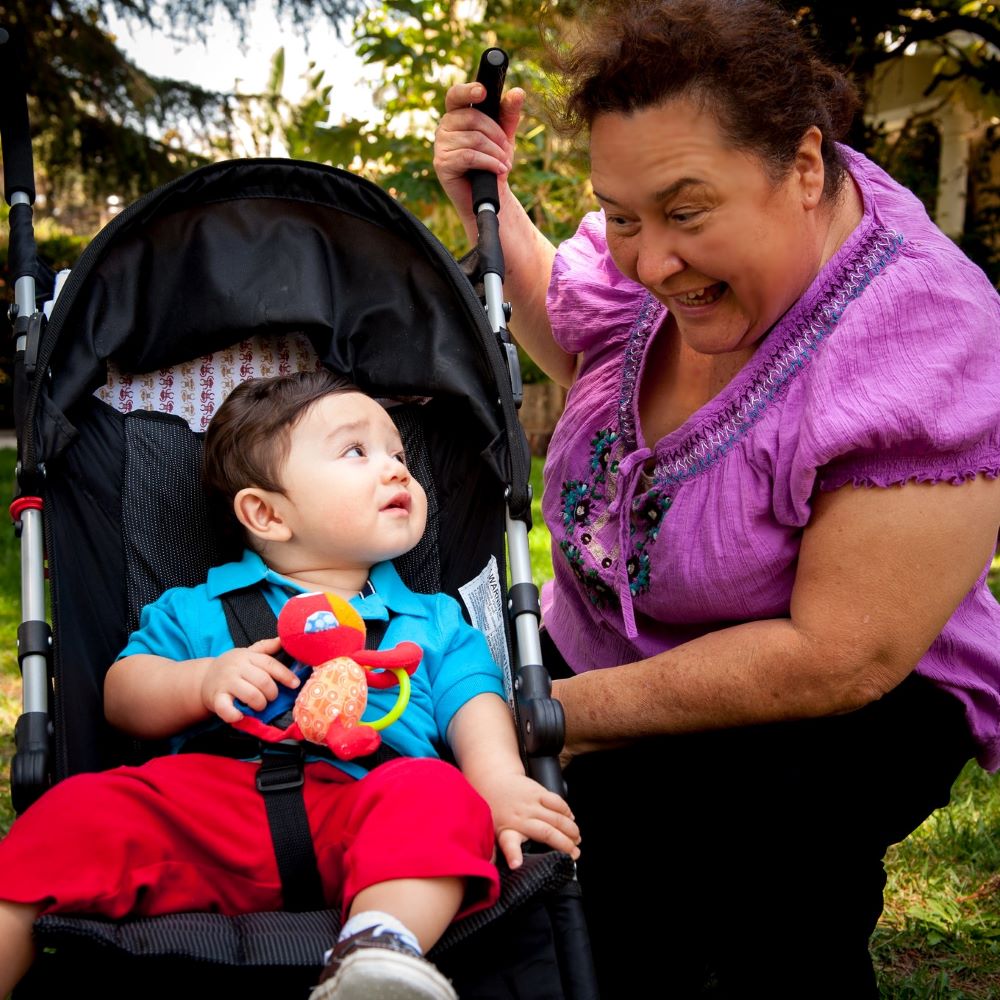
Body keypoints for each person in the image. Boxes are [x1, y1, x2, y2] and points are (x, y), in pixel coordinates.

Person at [433, 0, 1000, 995]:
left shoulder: (926, 341)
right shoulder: (660, 253)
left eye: (685, 212)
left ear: (806, 166)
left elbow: (839, 655)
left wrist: (540, 710)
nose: (647, 261)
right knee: (531, 884)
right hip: (622, 634)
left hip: (835, 696)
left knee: (721, 900)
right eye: (621, 215)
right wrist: (491, 203)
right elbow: (575, 341)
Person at [0, 370, 580, 1000]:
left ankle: (378, 950)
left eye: (399, 454)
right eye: (357, 451)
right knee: (75, 812)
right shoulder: (196, 611)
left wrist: (495, 781)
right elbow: (122, 695)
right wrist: (201, 681)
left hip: (370, 807)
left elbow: (476, 702)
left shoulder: (431, 619)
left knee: (443, 798)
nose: (395, 470)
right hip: (215, 810)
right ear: (266, 513)